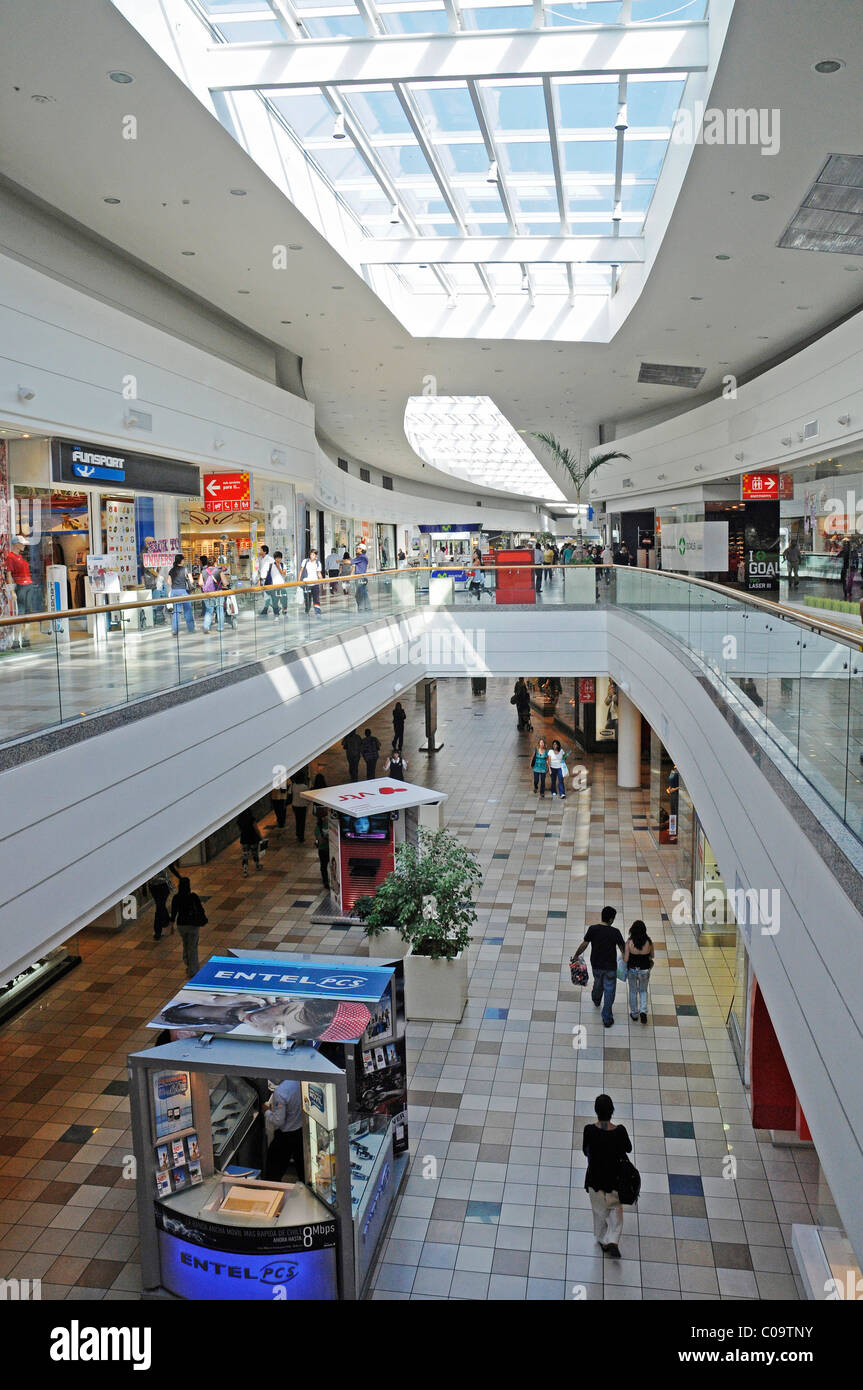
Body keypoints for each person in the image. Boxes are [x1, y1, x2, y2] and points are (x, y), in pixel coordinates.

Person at [582, 1093, 632, 1259]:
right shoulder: (620, 1131)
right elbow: (628, 1148)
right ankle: (613, 1239)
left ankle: (602, 1239)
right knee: (615, 1211)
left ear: (596, 1111)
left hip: (594, 1180)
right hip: (615, 1180)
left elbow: (585, 1150)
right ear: (612, 1111)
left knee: (599, 1212)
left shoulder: (589, 1130)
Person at [572, 906, 626, 1028]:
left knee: (598, 982)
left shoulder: (593, 929)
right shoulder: (615, 932)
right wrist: (626, 961)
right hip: (611, 967)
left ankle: (596, 998)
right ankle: (606, 1018)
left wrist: (576, 955)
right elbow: (623, 949)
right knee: (609, 991)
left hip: (596, 965)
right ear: (611, 919)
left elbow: (584, 944)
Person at [264, 1078, 305, 1182]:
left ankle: (271, 1193)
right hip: (300, 1131)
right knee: (303, 1169)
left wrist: (266, 1112)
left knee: (273, 1171)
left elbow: (279, 1120)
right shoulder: (299, 1081)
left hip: (285, 1136)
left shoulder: (281, 1092)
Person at [6, 537, 42, 645]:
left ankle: (26, 639)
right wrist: (12, 590)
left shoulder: (20, 557)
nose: (24, 546)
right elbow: (9, 574)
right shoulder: (10, 557)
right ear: (16, 544)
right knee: (20, 613)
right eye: (22, 544)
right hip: (21, 587)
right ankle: (16, 640)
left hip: (29, 586)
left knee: (28, 612)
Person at [170, 876, 207, 978]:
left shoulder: (176, 898)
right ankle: (193, 970)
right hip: (193, 925)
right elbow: (200, 909)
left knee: (186, 944)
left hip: (181, 925)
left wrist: (171, 925)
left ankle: (188, 964)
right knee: (193, 947)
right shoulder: (193, 897)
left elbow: (173, 912)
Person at [625, 919, 654, 1024]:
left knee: (633, 991)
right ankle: (643, 1011)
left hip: (632, 970)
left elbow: (626, 959)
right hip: (645, 970)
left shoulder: (629, 942)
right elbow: (652, 956)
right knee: (643, 990)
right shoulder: (649, 942)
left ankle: (634, 1013)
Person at [168, 554, 195, 635]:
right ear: (182, 560)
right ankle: (191, 629)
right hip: (183, 591)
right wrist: (186, 579)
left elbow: (168, 582)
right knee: (187, 611)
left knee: (176, 612)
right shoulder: (185, 570)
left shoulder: (171, 570)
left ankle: (174, 630)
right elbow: (192, 581)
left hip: (174, 591)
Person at [237, 807, 267, 876]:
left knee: (245, 855)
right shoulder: (252, 819)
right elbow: (256, 829)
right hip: (253, 838)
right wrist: (261, 837)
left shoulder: (239, 820)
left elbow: (240, 829)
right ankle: (257, 865)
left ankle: (245, 870)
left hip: (244, 838)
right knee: (254, 853)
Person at [148, 869, 172, 941]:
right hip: (153, 887)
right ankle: (166, 920)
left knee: (159, 908)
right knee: (160, 906)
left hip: (163, 886)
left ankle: (157, 931)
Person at [201, 560, 224, 633]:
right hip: (218, 592)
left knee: (209, 610)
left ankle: (206, 626)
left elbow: (200, 583)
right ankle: (220, 627)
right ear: (214, 563)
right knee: (219, 609)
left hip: (208, 593)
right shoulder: (219, 571)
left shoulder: (203, 571)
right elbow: (225, 582)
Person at [256, 545, 279, 616]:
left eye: (261, 550)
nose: (259, 551)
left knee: (267, 594)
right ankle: (276, 608)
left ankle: (266, 609)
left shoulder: (270, 559)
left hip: (268, 579)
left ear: (265, 551)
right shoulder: (260, 559)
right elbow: (260, 570)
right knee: (265, 594)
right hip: (262, 579)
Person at [299, 549, 323, 616]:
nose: (311, 556)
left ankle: (317, 611)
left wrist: (322, 581)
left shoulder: (318, 563)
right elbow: (301, 571)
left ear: (316, 556)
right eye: (311, 554)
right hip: (307, 583)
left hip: (315, 583)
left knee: (316, 598)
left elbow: (319, 573)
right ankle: (307, 610)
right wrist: (298, 582)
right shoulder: (305, 561)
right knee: (307, 599)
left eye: (313, 555)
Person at [288, 768, 309, 843]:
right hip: (303, 806)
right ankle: (301, 836)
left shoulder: (293, 785)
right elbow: (308, 797)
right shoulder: (304, 787)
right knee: (302, 821)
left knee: (297, 820)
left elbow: (289, 793)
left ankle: (298, 834)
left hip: (295, 805)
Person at [314, 814, 330, 891]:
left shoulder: (331, 825)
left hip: (331, 849)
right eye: (324, 816)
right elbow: (320, 841)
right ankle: (325, 881)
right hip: (323, 849)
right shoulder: (318, 828)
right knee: (323, 866)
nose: (325, 818)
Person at [353, 545, 370, 611]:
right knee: (363, 593)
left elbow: (350, 562)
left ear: (362, 550)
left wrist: (340, 561)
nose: (357, 549)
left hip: (360, 577)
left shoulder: (361, 557)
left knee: (360, 593)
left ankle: (362, 608)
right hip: (362, 577)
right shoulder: (363, 557)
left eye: (358, 548)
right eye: (357, 548)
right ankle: (366, 607)